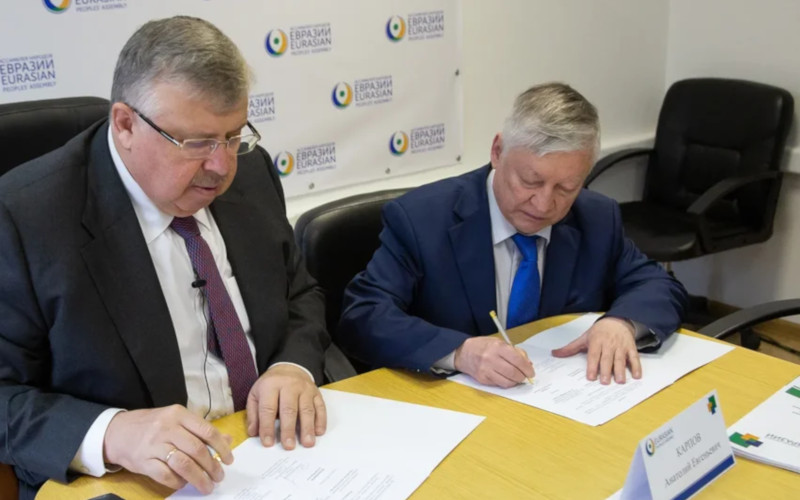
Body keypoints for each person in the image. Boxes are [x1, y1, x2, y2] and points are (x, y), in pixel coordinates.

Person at [0, 16, 329, 499]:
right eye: (197, 143)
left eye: (233, 136)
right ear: (125, 125)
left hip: (274, 457)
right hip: (126, 481)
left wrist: (293, 367)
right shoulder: (23, 216)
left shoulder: (252, 172)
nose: (221, 166)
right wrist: (112, 432)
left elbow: (299, 292)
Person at [338, 82, 687, 389]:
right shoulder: (422, 219)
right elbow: (364, 315)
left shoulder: (596, 217)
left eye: (566, 187)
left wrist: (621, 323)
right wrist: (460, 352)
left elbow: (658, 285)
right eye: (530, 181)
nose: (544, 203)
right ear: (497, 152)